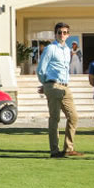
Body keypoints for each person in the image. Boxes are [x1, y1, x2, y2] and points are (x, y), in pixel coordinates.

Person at [36, 22, 82, 157]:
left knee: (73, 117)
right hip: (53, 85)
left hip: (65, 86)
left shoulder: (67, 50)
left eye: (65, 32)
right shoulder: (50, 49)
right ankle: (54, 151)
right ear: (55, 34)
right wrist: (46, 84)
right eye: (59, 32)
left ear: (68, 35)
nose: (62, 35)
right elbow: (41, 69)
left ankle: (68, 149)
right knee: (55, 118)